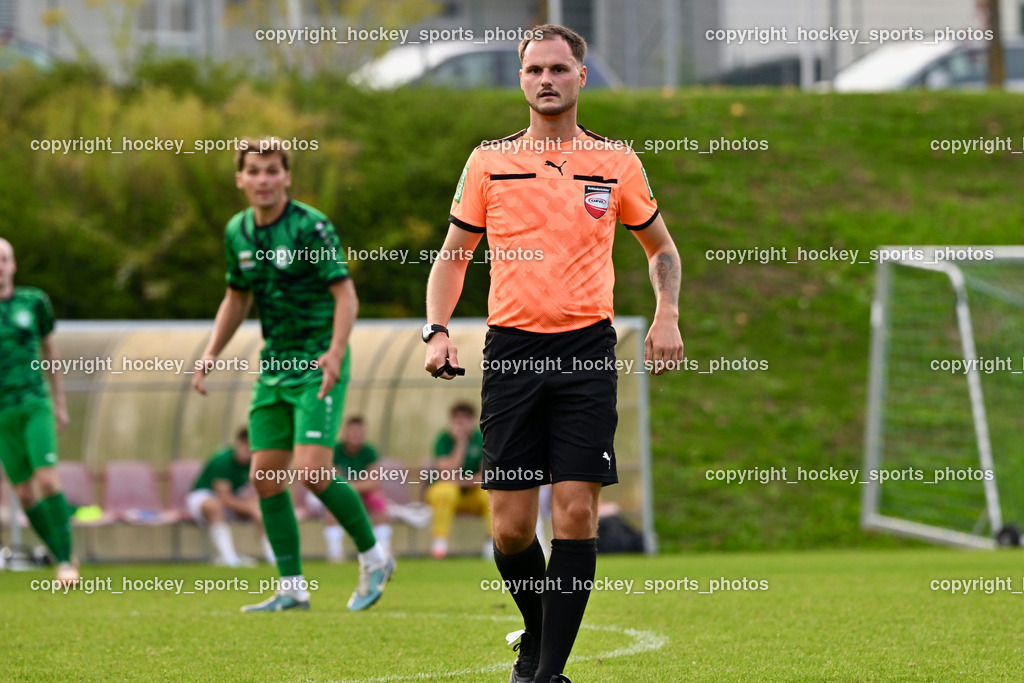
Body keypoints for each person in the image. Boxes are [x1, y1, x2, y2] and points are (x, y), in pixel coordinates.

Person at [423, 25, 684, 683]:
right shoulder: (488, 161)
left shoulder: (616, 162)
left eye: (559, 69)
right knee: (510, 526)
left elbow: (662, 249)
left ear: (581, 77)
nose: (547, 79)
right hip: (511, 351)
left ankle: (543, 675)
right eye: (535, 69)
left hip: (587, 352)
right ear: (521, 80)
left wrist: (668, 315)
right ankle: (540, 640)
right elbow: (454, 257)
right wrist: (438, 329)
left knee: (575, 510)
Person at [193, 137, 394, 612]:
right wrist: (210, 352)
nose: (263, 180)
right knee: (264, 477)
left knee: (311, 470)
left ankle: (374, 556)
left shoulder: (310, 226)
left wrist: (335, 351)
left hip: (317, 364)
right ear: (240, 179)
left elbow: (346, 295)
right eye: (254, 171)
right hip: (274, 368)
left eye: (271, 171)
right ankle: (292, 588)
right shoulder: (237, 232)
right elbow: (236, 298)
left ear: (286, 176)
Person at [0, 237, 78, 585]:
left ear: (13, 264)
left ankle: (65, 563)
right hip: (2, 412)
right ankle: (61, 553)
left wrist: (59, 404)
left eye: (4, 259)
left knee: (46, 478)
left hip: (34, 403)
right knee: (23, 493)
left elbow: (51, 354)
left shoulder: (34, 302)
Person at [306, 416, 393, 561]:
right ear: (345, 432)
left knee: (379, 504)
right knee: (332, 507)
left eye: (359, 431)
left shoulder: (369, 451)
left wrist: (351, 486)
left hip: (361, 494)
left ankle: (382, 551)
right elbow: (333, 480)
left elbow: (374, 481)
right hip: (341, 495)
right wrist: (356, 486)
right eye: (352, 431)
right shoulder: (335, 450)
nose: (356, 435)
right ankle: (335, 552)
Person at [186, 427, 275, 567]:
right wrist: (251, 509)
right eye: (246, 445)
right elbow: (224, 498)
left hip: (233, 496)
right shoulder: (222, 460)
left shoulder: (254, 463)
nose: (248, 450)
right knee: (214, 506)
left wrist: (257, 507)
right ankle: (228, 558)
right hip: (203, 496)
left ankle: (273, 556)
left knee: (262, 509)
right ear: (239, 443)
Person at [424, 402, 491, 559]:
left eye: (465, 419)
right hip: (447, 498)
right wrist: (461, 444)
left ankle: (492, 542)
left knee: (490, 494)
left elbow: (485, 475)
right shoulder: (443, 439)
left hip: (471, 495)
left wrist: (460, 481)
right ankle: (439, 541)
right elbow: (446, 473)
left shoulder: (481, 438)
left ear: (473, 420)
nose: (461, 423)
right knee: (446, 491)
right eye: (457, 419)